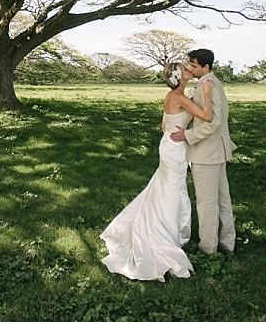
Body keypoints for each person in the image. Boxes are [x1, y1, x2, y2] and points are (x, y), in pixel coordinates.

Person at [100, 62, 214, 281]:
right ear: (180, 76)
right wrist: (207, 94)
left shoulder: (175, 96)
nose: (190, 70)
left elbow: (164, 126)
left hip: (171, 145)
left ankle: (170, 229)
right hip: (175, 150)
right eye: (186, 68)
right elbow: (207, 116)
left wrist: (177, 128)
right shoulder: (177, 97)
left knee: (167, 188)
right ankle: (164, 235)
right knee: (171, 190)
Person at [170, 48, 237, 255]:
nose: (191, 68)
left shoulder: (207, 85)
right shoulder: (211, 82)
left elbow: (212, 122)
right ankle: (227, 243)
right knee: (222, 199)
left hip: (207, 153)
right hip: (216, 151)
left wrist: (188, 136)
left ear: (206, 67)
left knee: (207, 203)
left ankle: (208, 248)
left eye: (194, 66)